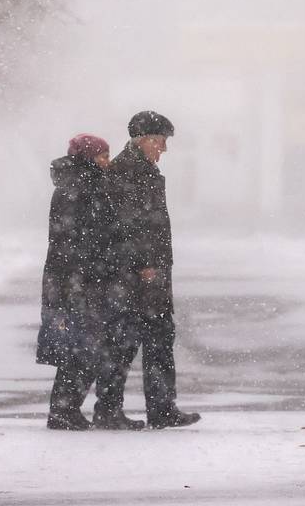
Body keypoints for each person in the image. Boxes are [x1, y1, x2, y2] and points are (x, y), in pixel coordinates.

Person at [94, 110, 201, 430]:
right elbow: (130, 225)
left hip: (147, 274)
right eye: (160, 141)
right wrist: (145, 265)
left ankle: (161, 407)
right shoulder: (129, 172)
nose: (164, 149)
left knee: (156, 339)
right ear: (142, 141)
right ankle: (112, 409)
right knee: (126, 342)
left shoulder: (140, 171)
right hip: (136, 276)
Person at [37, 134, 140, 430]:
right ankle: (63, 410)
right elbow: (76, 240)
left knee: (87, 345)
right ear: (87, 158)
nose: (107, 162)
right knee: (81, 346)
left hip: (85, 278)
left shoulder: (88, 184)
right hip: (78, 281)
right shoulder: (77, 188)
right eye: (102, 157)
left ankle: (68, 409)